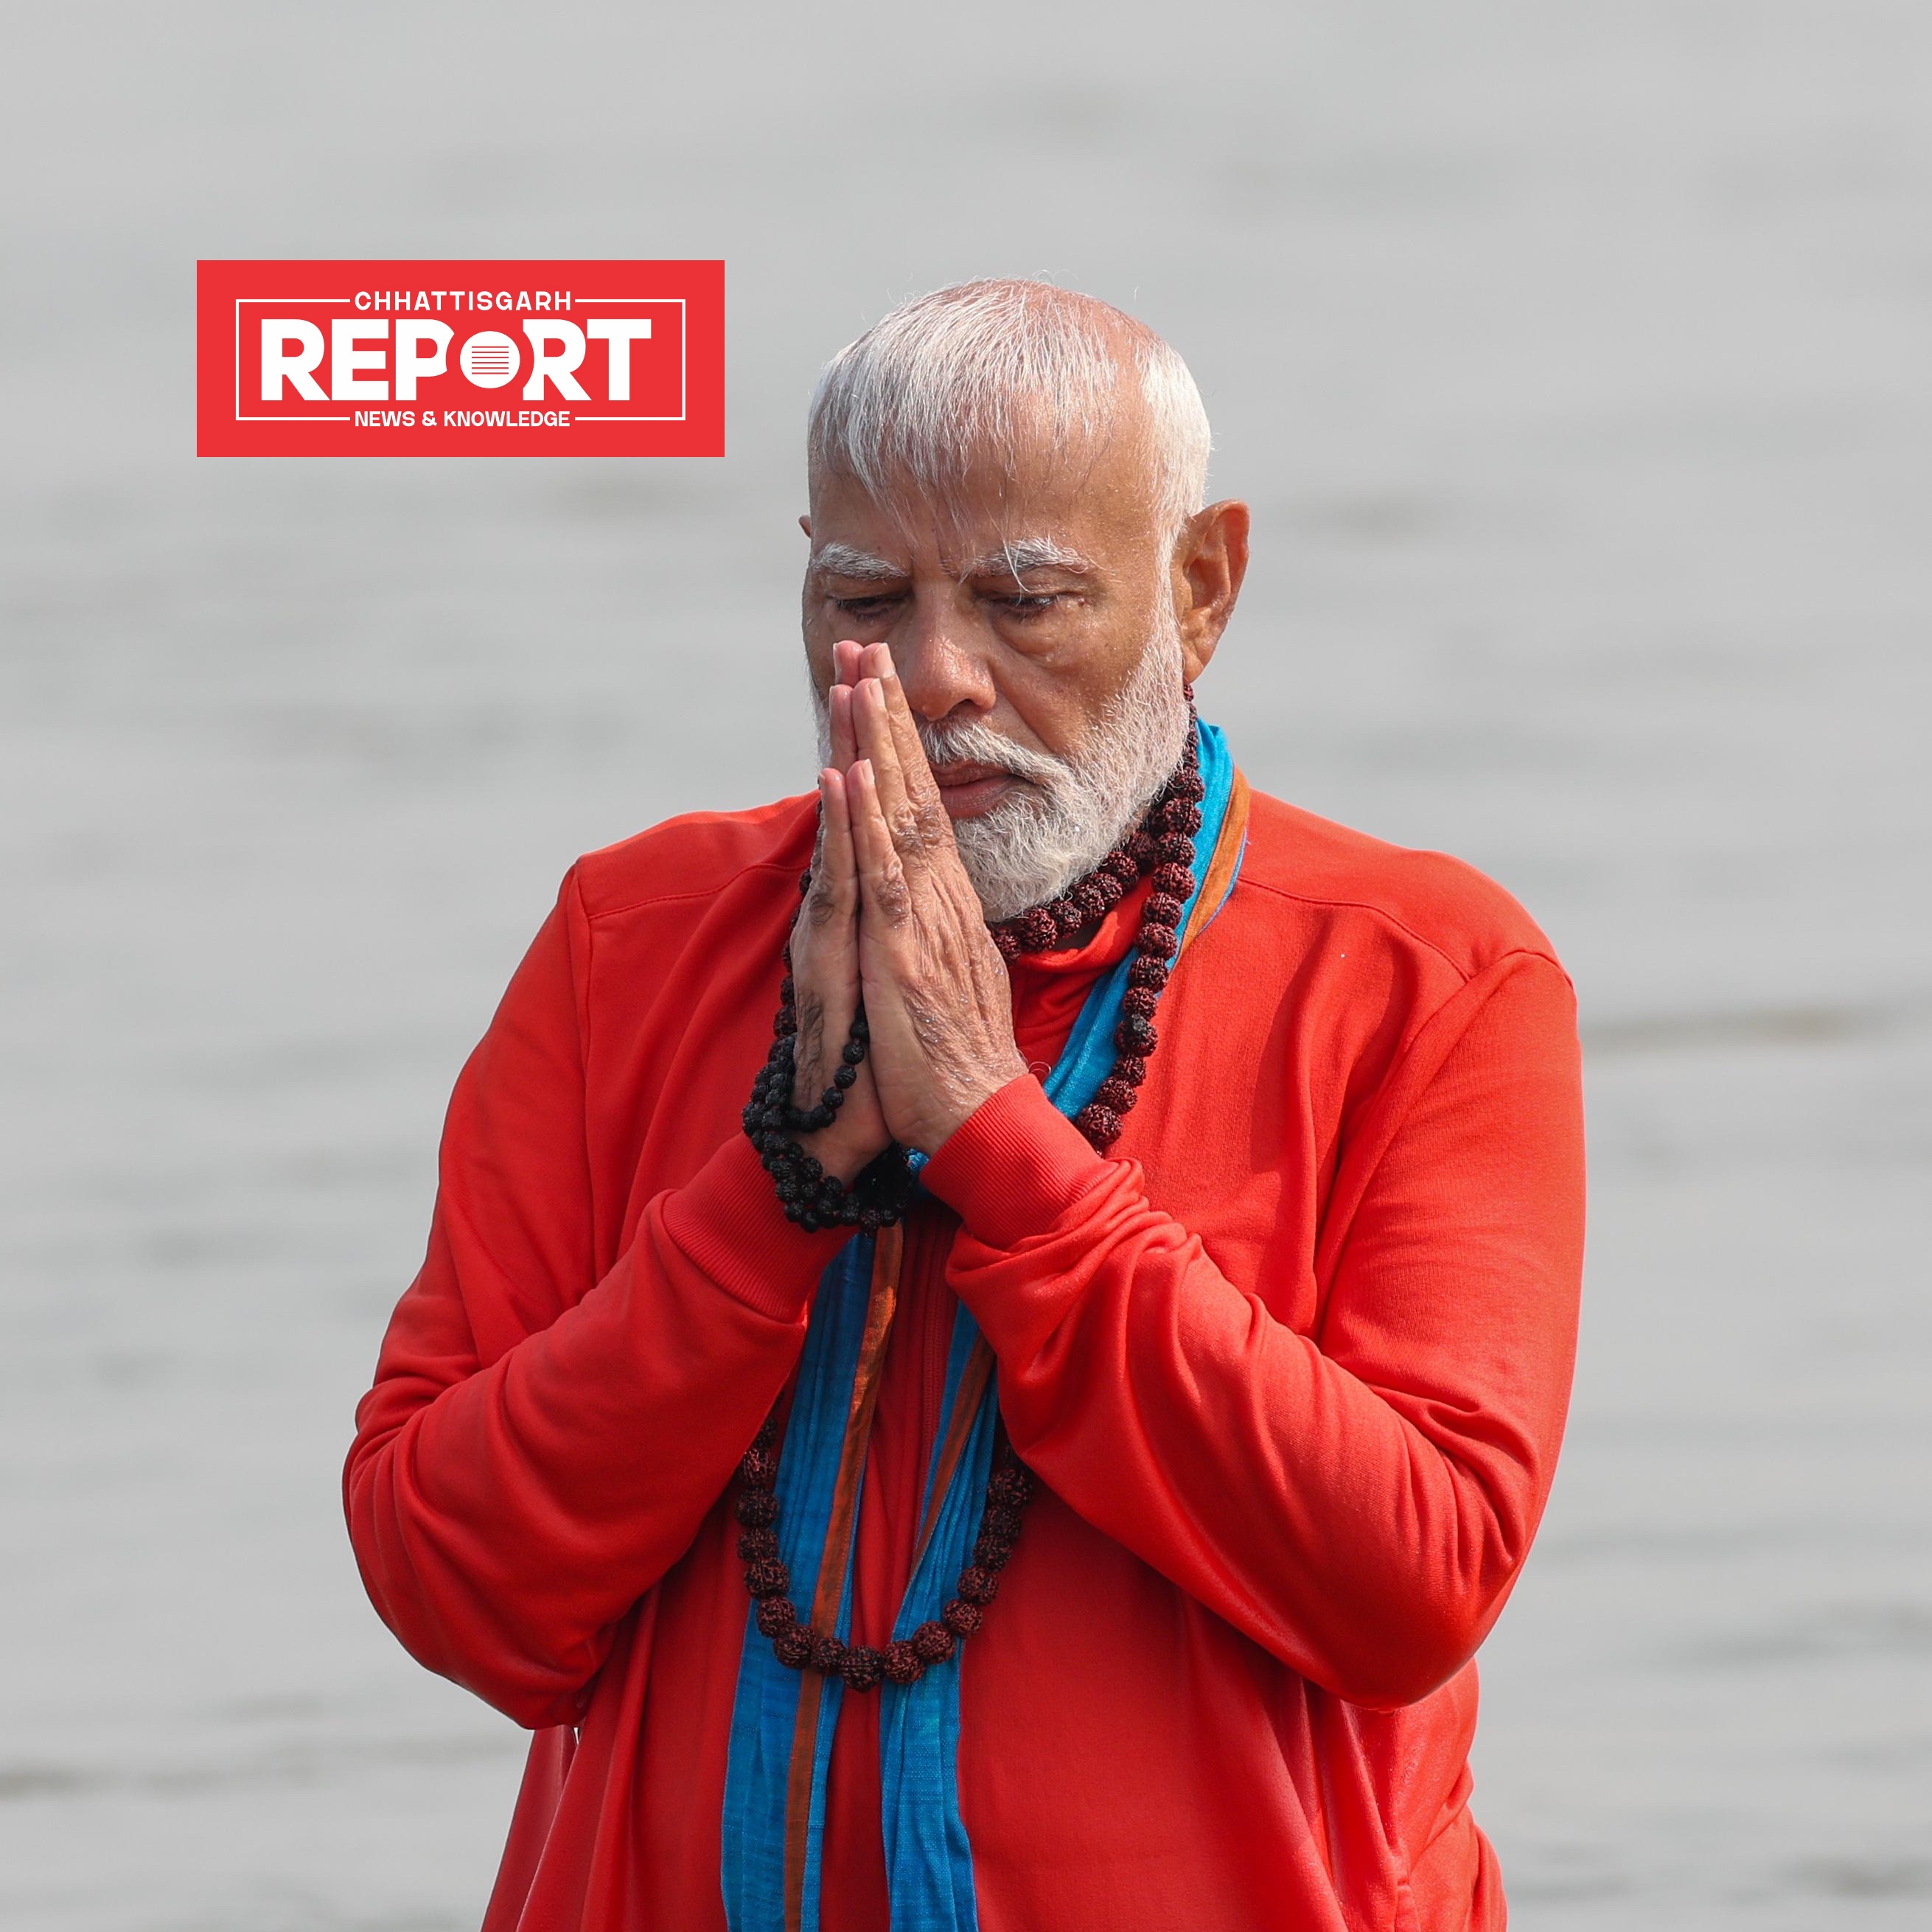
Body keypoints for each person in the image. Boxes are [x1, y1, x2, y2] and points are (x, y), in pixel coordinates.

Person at [345, 279, 1586, 1932]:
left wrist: (1003, 1149)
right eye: (866, 595)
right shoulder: (627, 942)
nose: (935, 676)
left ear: (1200, 588)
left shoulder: (1424, 975)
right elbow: (452, 1584)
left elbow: (1412, 1583)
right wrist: (780, 1189)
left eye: (1026, 600)